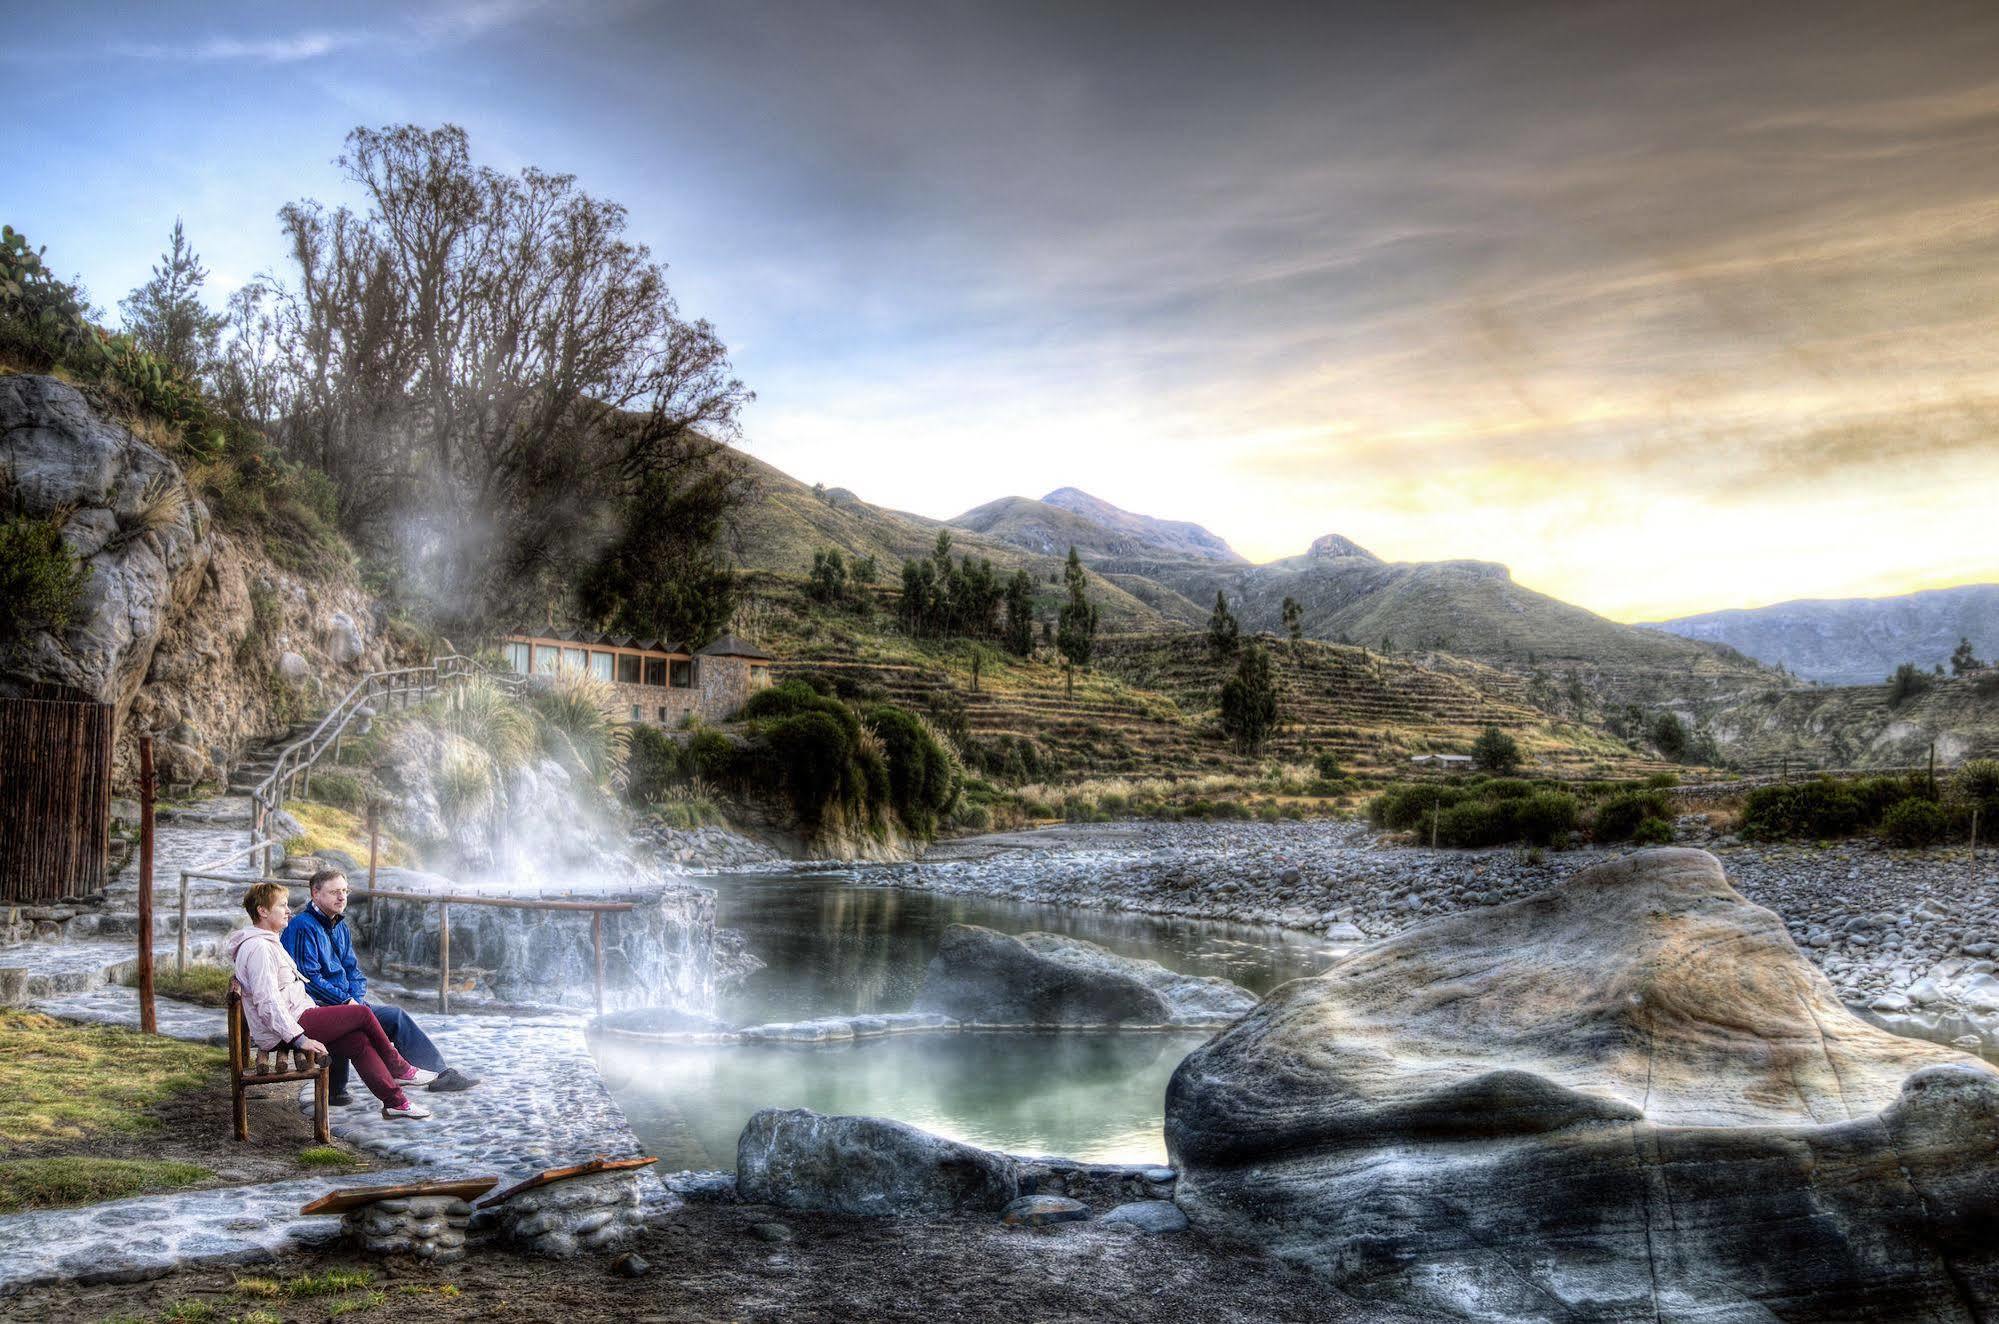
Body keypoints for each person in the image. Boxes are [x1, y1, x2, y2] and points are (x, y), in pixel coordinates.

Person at [228, 882, 433, 1120]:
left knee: (357, 1040)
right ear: (263, 911)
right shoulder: (259, 949)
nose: (288, 911)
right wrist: (298, 1038)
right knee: (362, 1014)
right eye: (282, 906)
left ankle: (397, 1102)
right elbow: (267, 1001)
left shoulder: (268, 942)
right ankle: (400, 1069)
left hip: (296, 1017)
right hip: (285, 1028)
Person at [282, 869, 479, 1106]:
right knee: (393, 1017)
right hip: (318, 1009)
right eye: (335, 892)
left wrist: (353, 998)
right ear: (315, 893)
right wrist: (346, 1002)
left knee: (391, 1017)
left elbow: (353, 971)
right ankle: (431, 1074)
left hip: (345, 1004)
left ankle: (435, 1074)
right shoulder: (303, 926)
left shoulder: (340, 926)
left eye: (345, 891)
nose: (342, 897)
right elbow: (309, 979)